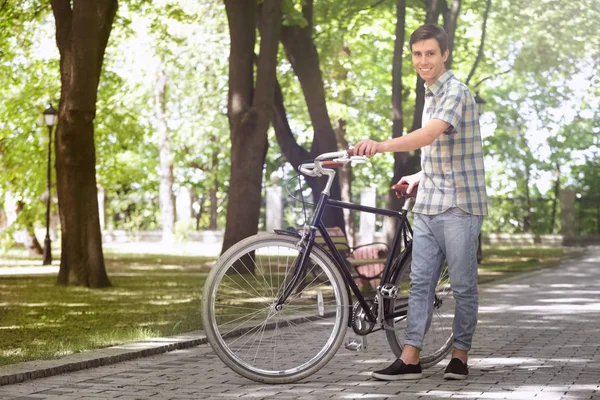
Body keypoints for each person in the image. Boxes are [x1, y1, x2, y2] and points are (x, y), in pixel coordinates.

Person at [353, 23, 488, 381]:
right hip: (428, 204)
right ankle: (410, 357)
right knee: (421, 285)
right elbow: (441, 150)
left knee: (462, 286)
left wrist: (380, 145)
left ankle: (460, 356)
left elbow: (428, 135)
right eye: (417, 54)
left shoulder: (456, 92)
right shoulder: (430, 94)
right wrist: (417, 177)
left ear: (444, 54)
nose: (423, 61)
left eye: (430, 53)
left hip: (460, 205)